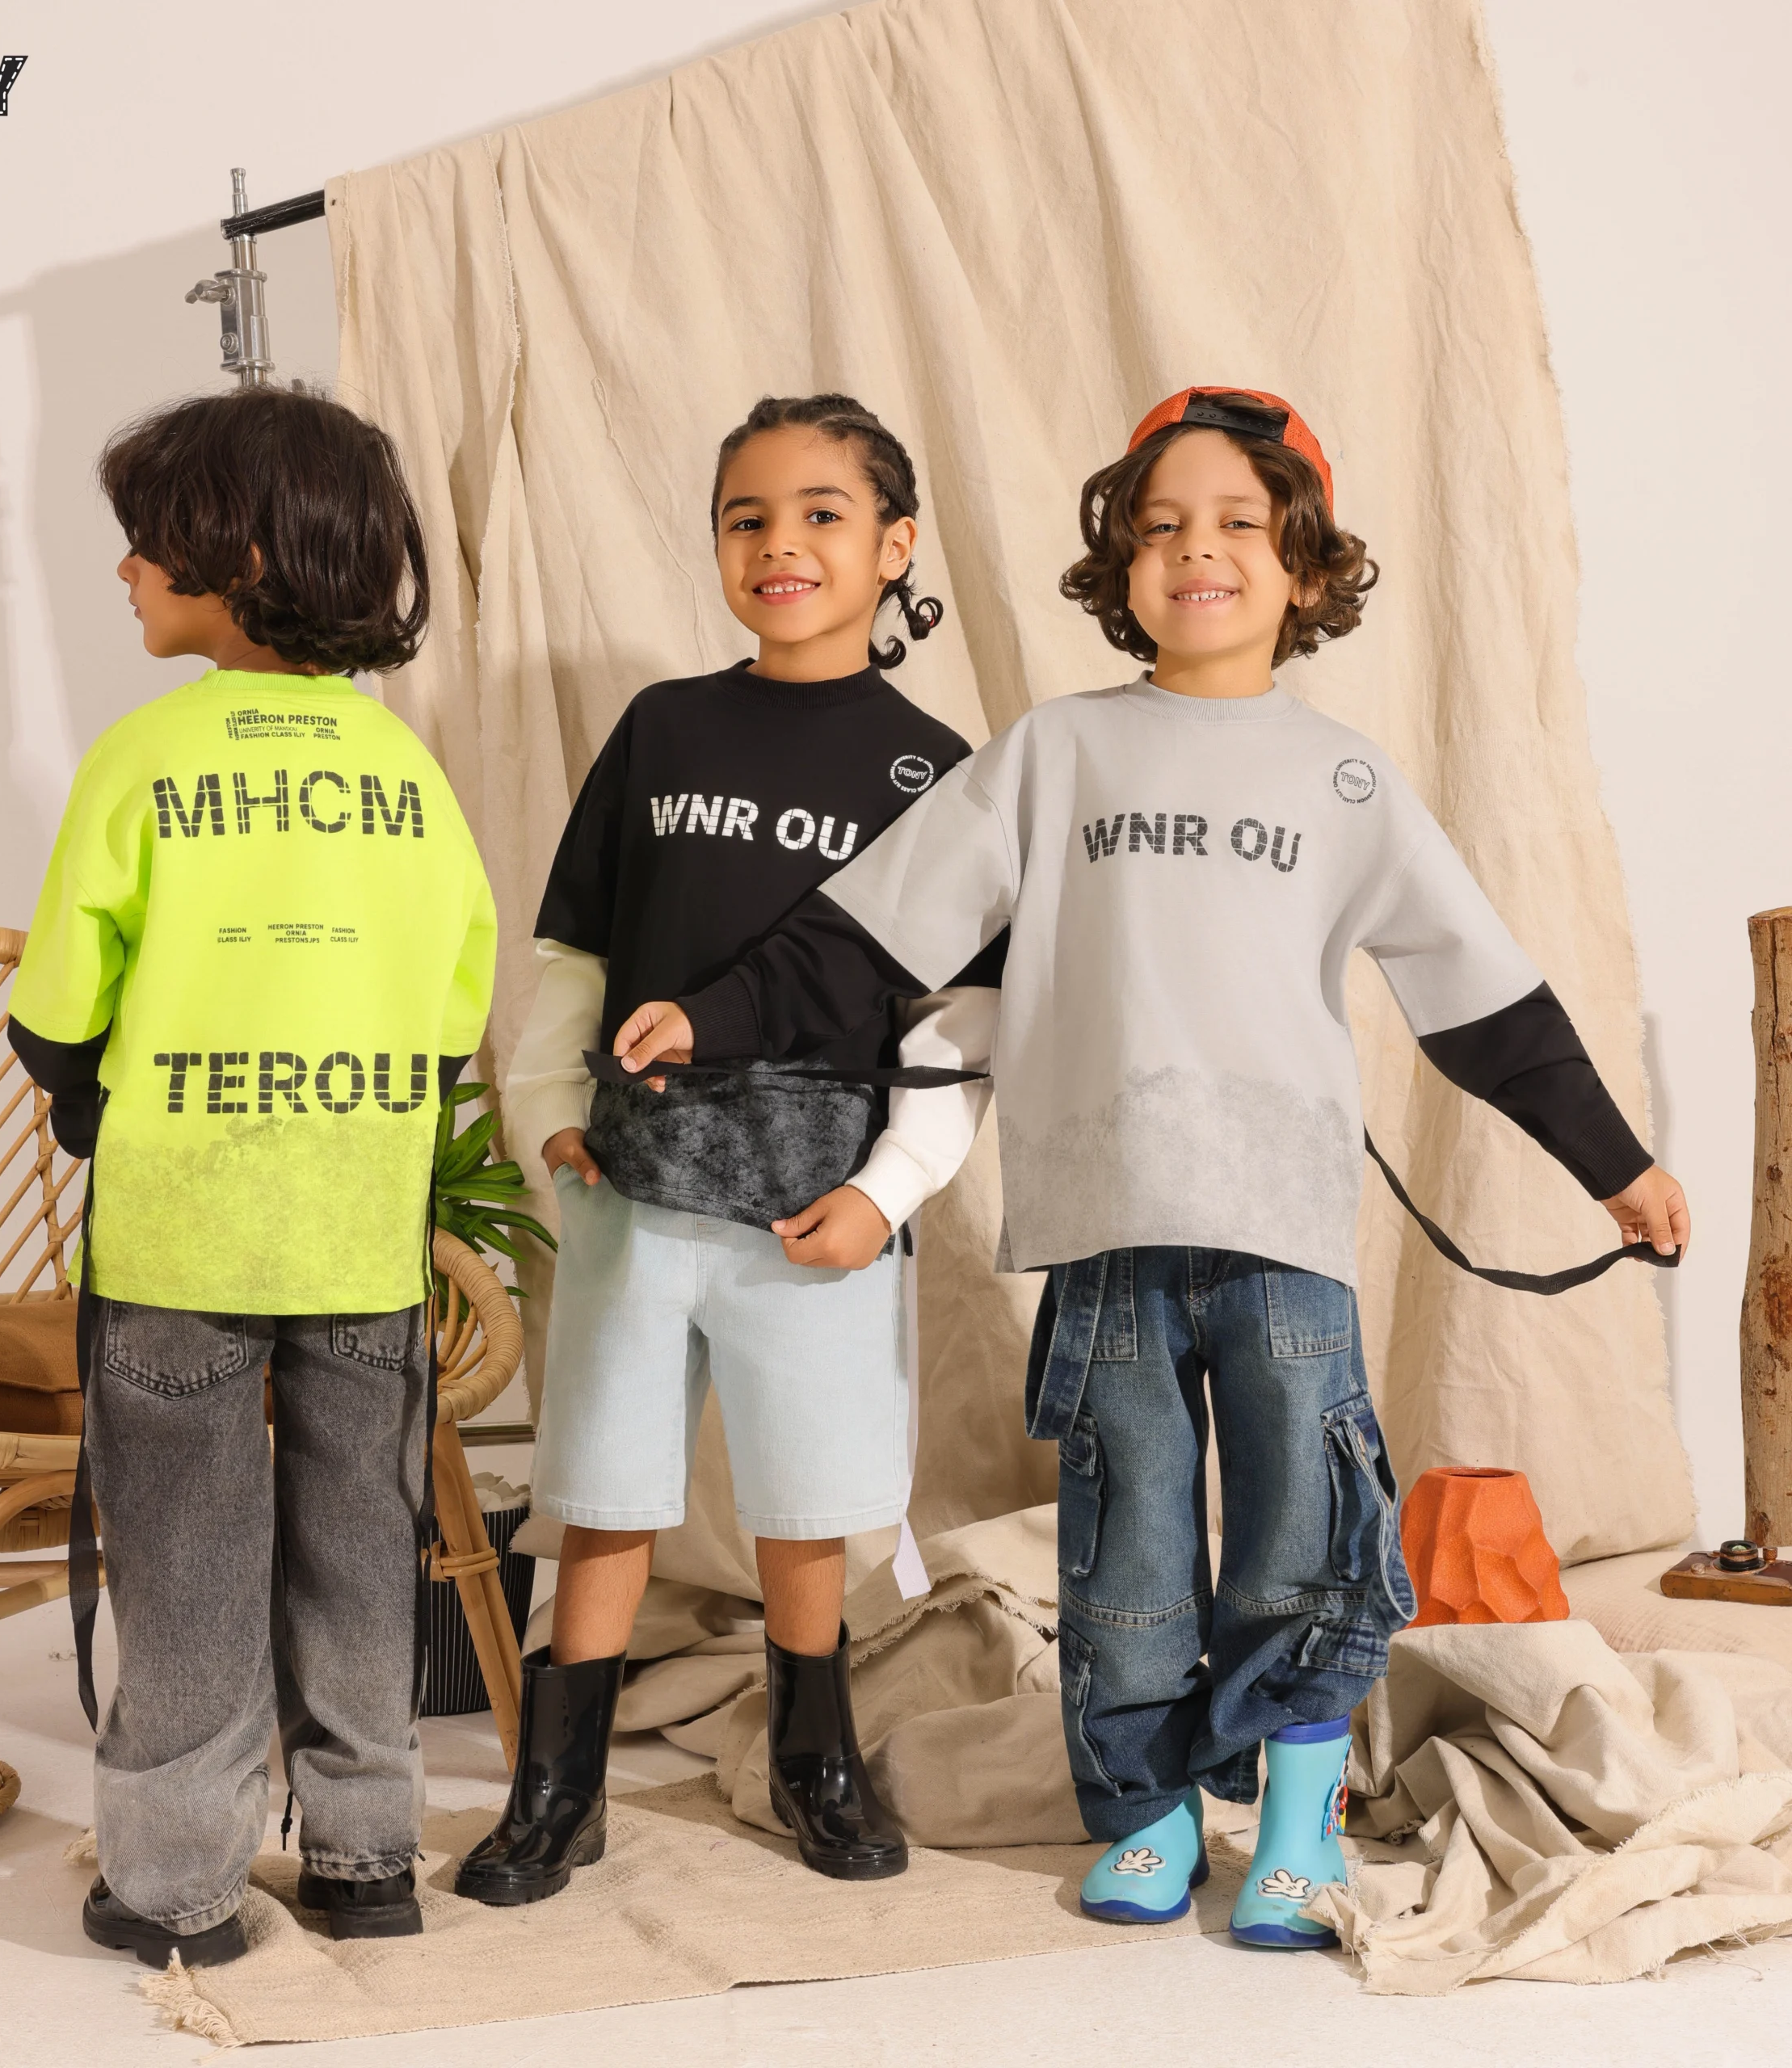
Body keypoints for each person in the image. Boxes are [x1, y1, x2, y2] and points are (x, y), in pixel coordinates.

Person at [610, 388, 1690, 1948]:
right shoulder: (1056, 755)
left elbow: (1483, 1001)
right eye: (1162, 526)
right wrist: (714, 1015)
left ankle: (1301, 1823)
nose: (1199, 551)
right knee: (1127, 1548)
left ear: (1305, 568)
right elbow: (872, 932)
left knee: (1302, 1535)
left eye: (1241, 524)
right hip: (1105, 1233)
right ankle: (1148, 1812)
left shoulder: (1346, 783)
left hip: (1283, 1236)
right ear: (1120, 565)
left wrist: (1618, 1166)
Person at [456, 394, 998, 1904]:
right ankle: (558, 1788)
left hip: (816, 1200)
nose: (781, 545)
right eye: (746, 518)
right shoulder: (663, 728)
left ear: (896, 545)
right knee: (605, 1480)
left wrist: (890, 1191)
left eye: (824, 514)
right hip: (636, 1182)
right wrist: (547, 1109)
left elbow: (953, 1020)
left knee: (806, 1495)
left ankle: (817, 1759)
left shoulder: (934, 771)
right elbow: (576, 946)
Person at [7, 387, 496, 1967]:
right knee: (361, 1550)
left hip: (181, 1237)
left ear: (238, 559)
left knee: (187, 1564)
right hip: (359, 1237)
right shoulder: (405, 770)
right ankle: (367, 1860)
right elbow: (455, 1006)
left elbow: (57, 1008)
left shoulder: (142, 758)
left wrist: (89, 1101)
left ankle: (174, 1888)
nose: (124, 571)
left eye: (146, 543)